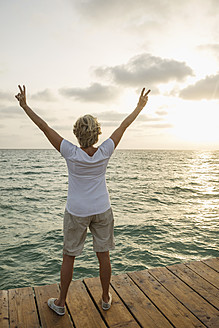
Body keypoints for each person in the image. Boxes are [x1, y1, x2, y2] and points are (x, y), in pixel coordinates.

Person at [15, 85, 150, 315]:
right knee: (103, 255)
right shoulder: (105, 150)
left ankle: (60, 303)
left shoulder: (70, 152)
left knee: (69, 256)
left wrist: (25, 106)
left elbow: (43, 127)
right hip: (102, 209)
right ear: (97, 133)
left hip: (77, 211)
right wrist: (139, 106)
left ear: (77, 134)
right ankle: (106, 297)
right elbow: (124, 125)